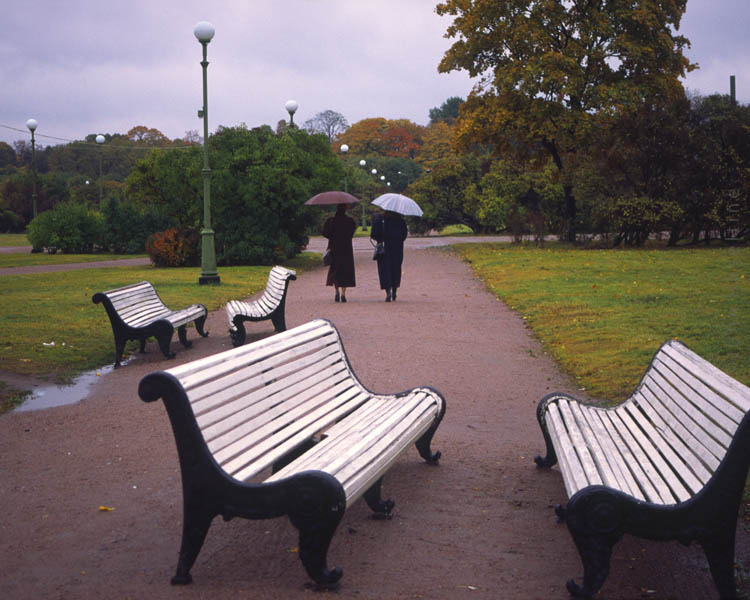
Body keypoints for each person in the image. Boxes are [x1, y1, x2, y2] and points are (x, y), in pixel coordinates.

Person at [370, 209, 408, 302]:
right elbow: (404, 235)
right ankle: (394, 290)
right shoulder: (401, 221)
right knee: (396, 268)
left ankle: (388, 292)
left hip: (384, 247)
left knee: (384, 269)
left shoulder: (380, 220)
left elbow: (373, 234)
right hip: (397, 248)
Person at [322, 203, 356, 302]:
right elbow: (351, 233)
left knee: (335, 270)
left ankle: (336, 291)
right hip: (346, 248)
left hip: (334, 248)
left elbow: (325, 233)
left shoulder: (331, 221)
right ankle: (343, 293)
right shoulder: (350, 221)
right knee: (345, 270)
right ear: (345, 209)